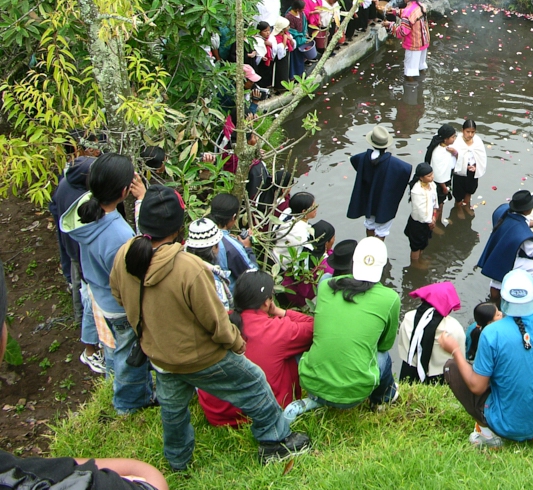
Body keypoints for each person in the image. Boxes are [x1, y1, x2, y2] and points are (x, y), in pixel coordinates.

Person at [109, 186, 308, 468]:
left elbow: (119, 295)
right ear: (180, 228)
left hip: (160, 354)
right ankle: (274, 441)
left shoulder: (126, 254)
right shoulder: (189, 268)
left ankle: (178, 461)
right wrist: (238, 344)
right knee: (254, 382)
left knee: (173, 410)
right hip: (198, 357)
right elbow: (215, 321)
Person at [439, 269, 533, 447]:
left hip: (507, 425)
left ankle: (487, 433)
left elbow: (477, 386)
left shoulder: (491, 333)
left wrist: (455, 351)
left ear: (504, 300)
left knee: (452, 367)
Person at [60, 153, 155, 414]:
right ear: (124, 190)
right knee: (130, 355)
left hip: (99, 294)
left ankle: (131, 390)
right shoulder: (118, 234)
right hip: (119, 305)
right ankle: (129, 404)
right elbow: (133, 270)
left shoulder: (84, 210)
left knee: (117, 347)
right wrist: (143, 201)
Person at [286, 238, 399, 419]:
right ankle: (382, 399)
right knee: (383, 357)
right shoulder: (390, 298)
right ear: (384, 267)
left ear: (353, 262)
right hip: (354, 396)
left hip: (312, 384)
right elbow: (385, 345)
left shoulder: (325, 285)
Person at [197, 271, 314, 427]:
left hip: (218, 415)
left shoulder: (220, 321)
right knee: (293, 350)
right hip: (263, 414)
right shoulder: (278, 329)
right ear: (267, 302)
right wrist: (281, 312)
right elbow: (314, 326)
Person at [50, 156, 104, 374]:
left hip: (69, 242)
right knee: (85, 288)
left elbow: (52, 206)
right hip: (80, 249)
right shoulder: (83, 197)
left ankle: (78, 315)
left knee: (76, 280)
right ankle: (84, 328)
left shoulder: (64, 183)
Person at [477, 190, 533, 302]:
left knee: (497, 280)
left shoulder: (504, 211)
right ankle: (531, 300)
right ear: (527, 210)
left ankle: (492, 302)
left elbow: (522, 222)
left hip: (496, 251)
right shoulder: (521, 230)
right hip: (509, 259)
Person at [347, 125, 413, 240]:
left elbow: (353, 160)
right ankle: (378, 251)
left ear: (372, 143)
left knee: (369, 225)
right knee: (382, 230)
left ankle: (368, 246)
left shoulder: (362, 158)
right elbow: (406, 170)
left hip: (369, 201)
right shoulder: (394, 164)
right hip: (383, 202)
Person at [398, 282, 465, 384]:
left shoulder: (408, 318)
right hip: (439, 375)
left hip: (409, 367)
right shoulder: (455, 328)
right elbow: (459, 358)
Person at [386, 0, 429, 78]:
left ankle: (411, 88)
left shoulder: (407, 12)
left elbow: (402, 32)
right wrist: (396, 12)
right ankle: (421, 83)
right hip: (423, 41)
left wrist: (390, 25)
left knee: (410, 71)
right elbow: (411, 16)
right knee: (421, 65)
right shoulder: (421, 6)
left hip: (414, 44)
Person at [451, 118, 488, 220]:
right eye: (468, 132)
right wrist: (464, 166)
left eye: (473, 132)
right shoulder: (457, 141)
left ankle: (466, 206)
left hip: (473, 170)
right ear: (462, 130)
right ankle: (458, 208)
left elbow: (481, 156)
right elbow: (454, 158)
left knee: (470, 190)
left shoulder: (478, 141)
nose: (470, 134)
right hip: (460, 171)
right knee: (458, 192)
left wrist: (476, 166)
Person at [404, 162, 438, 268]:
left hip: (429, 220)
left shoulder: (432, 185)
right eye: (429, 176)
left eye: (432, 174)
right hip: (418, 222)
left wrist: (434, 216)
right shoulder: (417, 191)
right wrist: (430, 221)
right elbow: (420, 210)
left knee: (424, 242)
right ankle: (415, 263)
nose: (432, 177)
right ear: (421, 178)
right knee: (415, 246)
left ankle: (420, 259)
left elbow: (434, 202)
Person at [426, 124, 458, 230]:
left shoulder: (446, 148)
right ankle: (433, 225)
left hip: (446, 180)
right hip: (439, 183)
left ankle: (438, 221)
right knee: (437, 205)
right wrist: (444, 187)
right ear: (445, 139)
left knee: (441, 203)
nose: (454, 139)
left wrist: (454, 152)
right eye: (453, 137)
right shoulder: (438, 153)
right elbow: (438, 173)